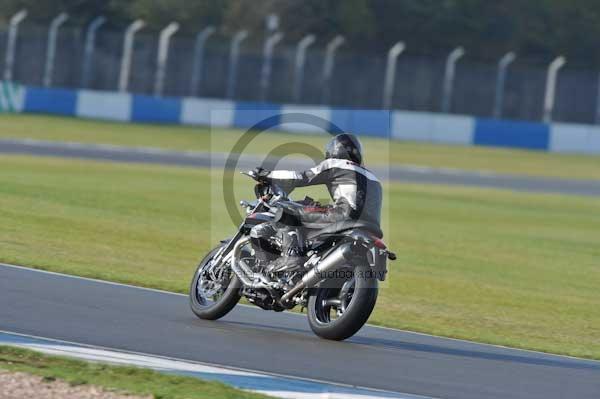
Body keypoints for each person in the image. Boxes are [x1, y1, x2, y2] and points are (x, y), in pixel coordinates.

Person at [250, 133, 383, 269]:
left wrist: (266, 175)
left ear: (335, 150)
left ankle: (291, 258)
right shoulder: (373, 177)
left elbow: (299, 177)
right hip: (372, 226)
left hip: (344, 216)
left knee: (285, 210)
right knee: (313, 209)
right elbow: (358, 202)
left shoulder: (336, 164)